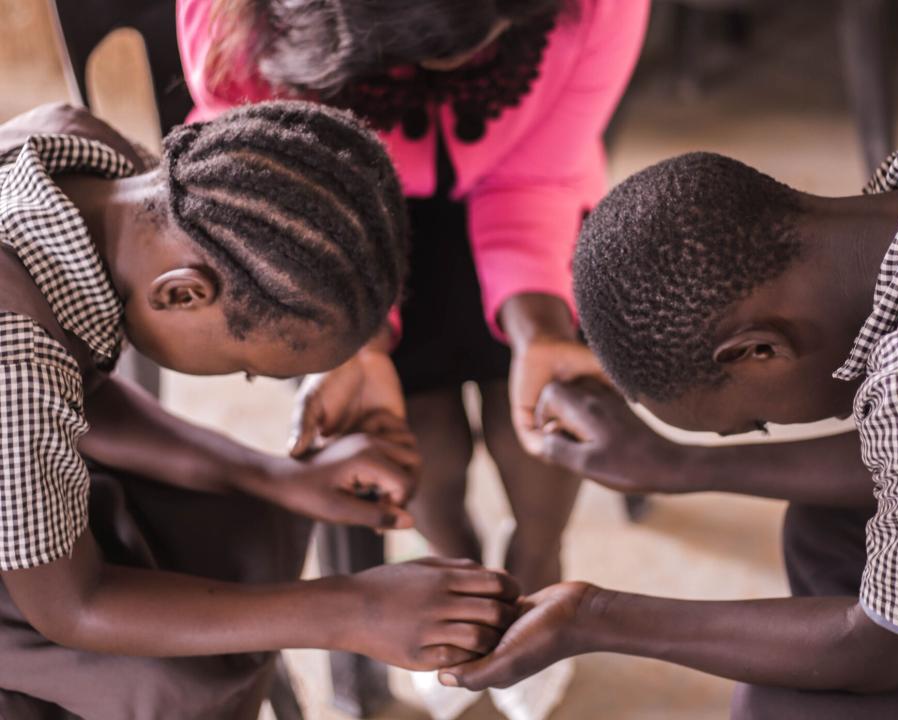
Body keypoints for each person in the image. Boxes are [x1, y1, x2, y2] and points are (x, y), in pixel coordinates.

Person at [177, 2, 648, 714]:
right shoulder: (238, 29)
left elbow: (540, 174)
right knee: (415, 425)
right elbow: (288, 204)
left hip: (535, 186)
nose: (456, 66)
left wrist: (540, 330)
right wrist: (359, 339)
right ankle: (457, 560)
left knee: (540, 402)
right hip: (322, 211)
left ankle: (537, 558)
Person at [0, 101, 521, 720]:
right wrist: (353, 610)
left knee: (253, 519)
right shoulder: (14, 353)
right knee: (176, 688)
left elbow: (72, 395)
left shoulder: (95, 160)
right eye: (246, 368)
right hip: (55, 590)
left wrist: (275, 476)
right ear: (184, 292)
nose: (242, 377)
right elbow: (73, 607)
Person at [438, 143, 898, 718]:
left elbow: (885, 653)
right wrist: (679, 467)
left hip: (890, 647)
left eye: (755, 423)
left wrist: (593, 618)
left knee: (781, 707)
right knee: (825, 523)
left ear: (758, 350)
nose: (765, 426)